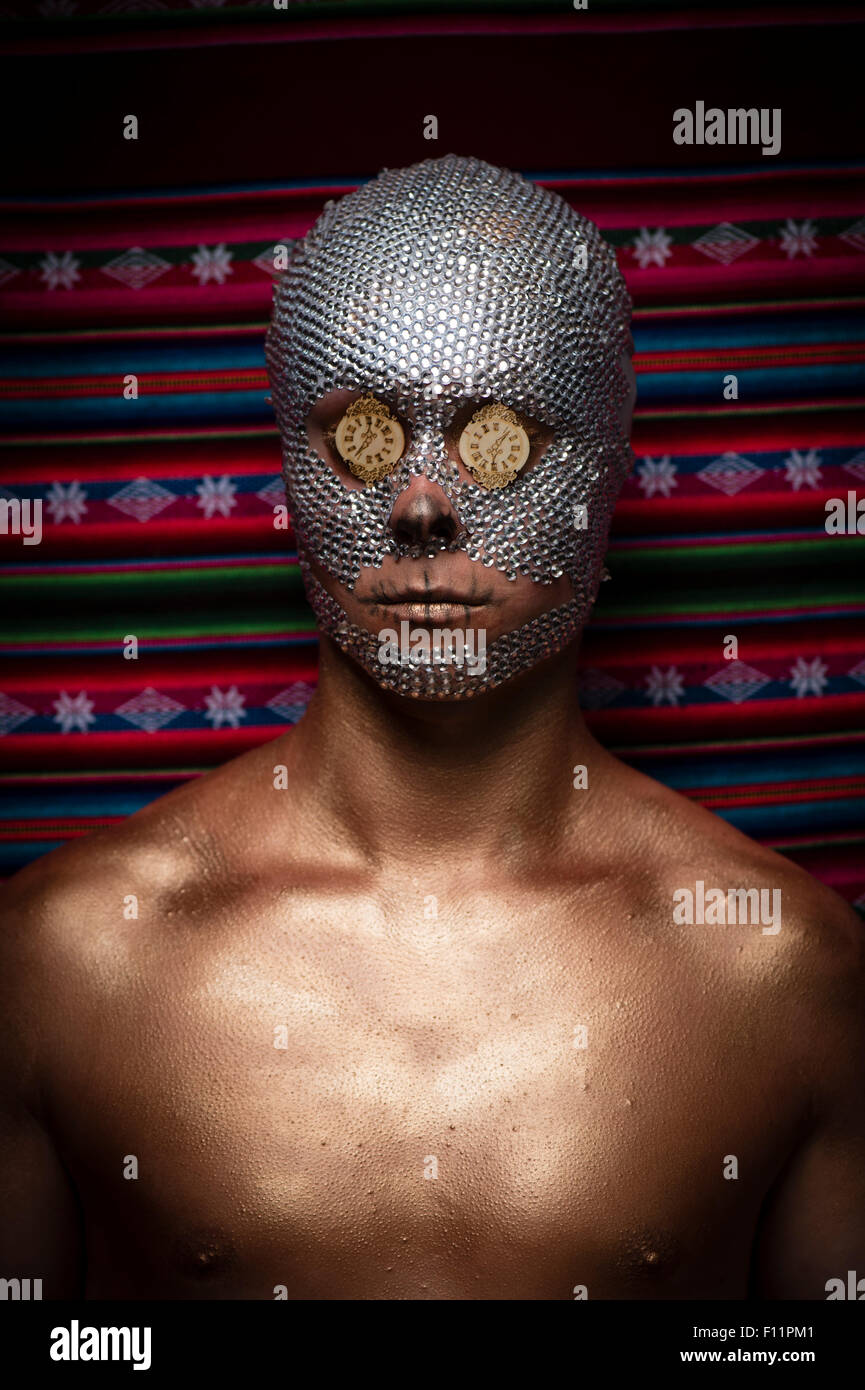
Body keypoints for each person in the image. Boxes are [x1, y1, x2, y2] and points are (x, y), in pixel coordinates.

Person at [1, 155, 862, 1301]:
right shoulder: (69, 957)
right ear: (289, 465)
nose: (420, 505)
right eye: (362, 434)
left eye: (497, 437)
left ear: (609, 463)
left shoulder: (781, 973)